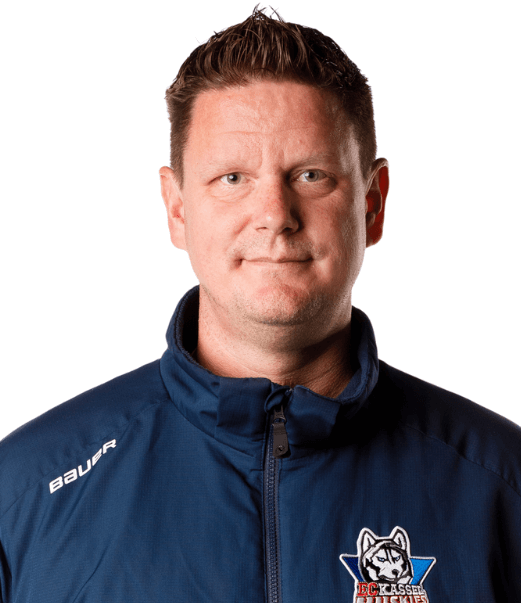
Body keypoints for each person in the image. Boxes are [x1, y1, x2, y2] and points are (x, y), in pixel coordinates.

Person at [0, 7, 520, 603]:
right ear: (177, 208)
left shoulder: (503, 489)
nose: (275, 215)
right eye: (232, 178)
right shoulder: (22, 495)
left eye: (311, 175)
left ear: (372, 204)